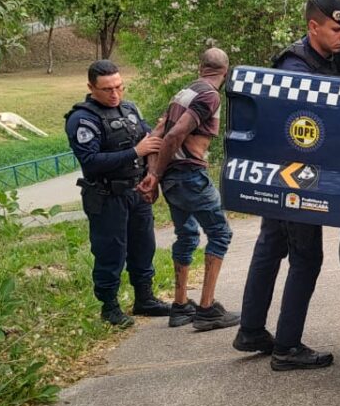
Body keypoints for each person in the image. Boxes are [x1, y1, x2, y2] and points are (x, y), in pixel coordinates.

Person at [233, 0, 340, 370]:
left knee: (269, 248)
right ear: (313, 26)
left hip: (293, 175)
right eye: (335, 31)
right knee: (305, 257)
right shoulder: (294, 67)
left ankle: (250, 331)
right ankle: (287, 348)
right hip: (296, 177)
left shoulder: (332, 57)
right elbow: (306, 120)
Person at [136, 48, 238, 330]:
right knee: (220, 233)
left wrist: (154, 174)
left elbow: (155, 135)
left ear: (200, 67)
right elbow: (174, 135)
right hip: (189, 176)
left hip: (172, 179)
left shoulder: (183, 94)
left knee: (188, 234)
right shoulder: (209, 96)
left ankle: (180, 306)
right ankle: (207, 309)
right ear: (225, 72)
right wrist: (155, 174)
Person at [65, 60, 171, 327]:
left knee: (143, 246)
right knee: (110, 251)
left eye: (119, 87)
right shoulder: (82, 119)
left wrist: (151, 172)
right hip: (106, 195)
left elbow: (149, 139)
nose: (115, 94)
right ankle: (110, 307)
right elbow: (90, 161)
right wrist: (135, 152)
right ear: (91, 87)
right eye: (107, 89)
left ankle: (144, 298)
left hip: (137, 191)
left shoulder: (129, 109)